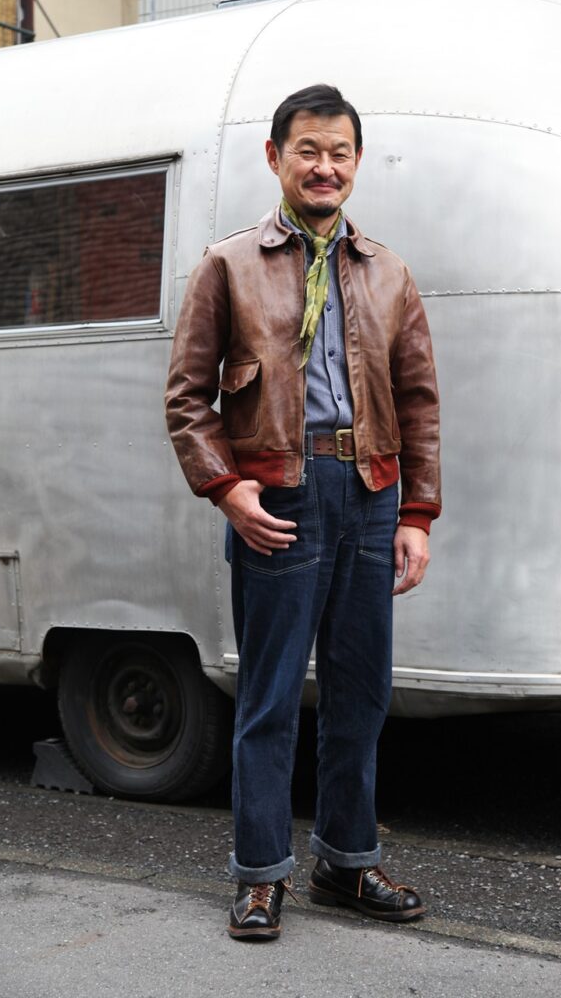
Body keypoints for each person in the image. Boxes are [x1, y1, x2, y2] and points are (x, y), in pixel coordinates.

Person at [165, 84, 441, 941]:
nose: (325, 167)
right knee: (271, 697)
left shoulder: (388, 271)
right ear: (275, 157)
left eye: (340, 153)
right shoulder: (227, 264)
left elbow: (418, 401)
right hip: (279, 495)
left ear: (356, 162)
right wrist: (227, 487)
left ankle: (346, 863)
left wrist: (417, 513)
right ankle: (259, 876)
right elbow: (187, 399)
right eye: (309, 151)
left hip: (370, 494)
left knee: (361, 695)